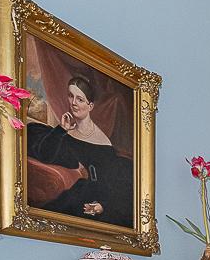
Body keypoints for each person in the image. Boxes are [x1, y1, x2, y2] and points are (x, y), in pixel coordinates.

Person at [24, 74, 132, 226]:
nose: (73, 103)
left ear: (90, 106)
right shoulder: (64, 130)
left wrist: (102, 206)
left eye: (80, 99)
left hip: (90, 200)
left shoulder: (103, 143)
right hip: (72, 194)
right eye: (71, 96)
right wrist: (61, 130)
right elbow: (45, 155)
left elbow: (112, 186)